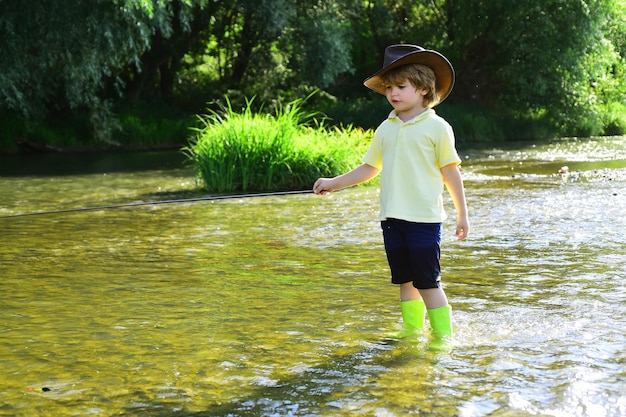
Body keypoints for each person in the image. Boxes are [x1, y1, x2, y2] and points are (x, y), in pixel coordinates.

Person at [313, 44, 469, 346]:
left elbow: (451, 173)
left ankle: (443, 336)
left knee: (427, 281)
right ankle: (412, 328)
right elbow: (369, 168)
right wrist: (334, 183)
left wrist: (463, 214)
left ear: (423, 89)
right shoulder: (386, 127)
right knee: (405, 279)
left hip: (424, 220)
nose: (393, 93)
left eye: (401, 86)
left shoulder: (437, 128)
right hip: (391, 219)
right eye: (389, 88)